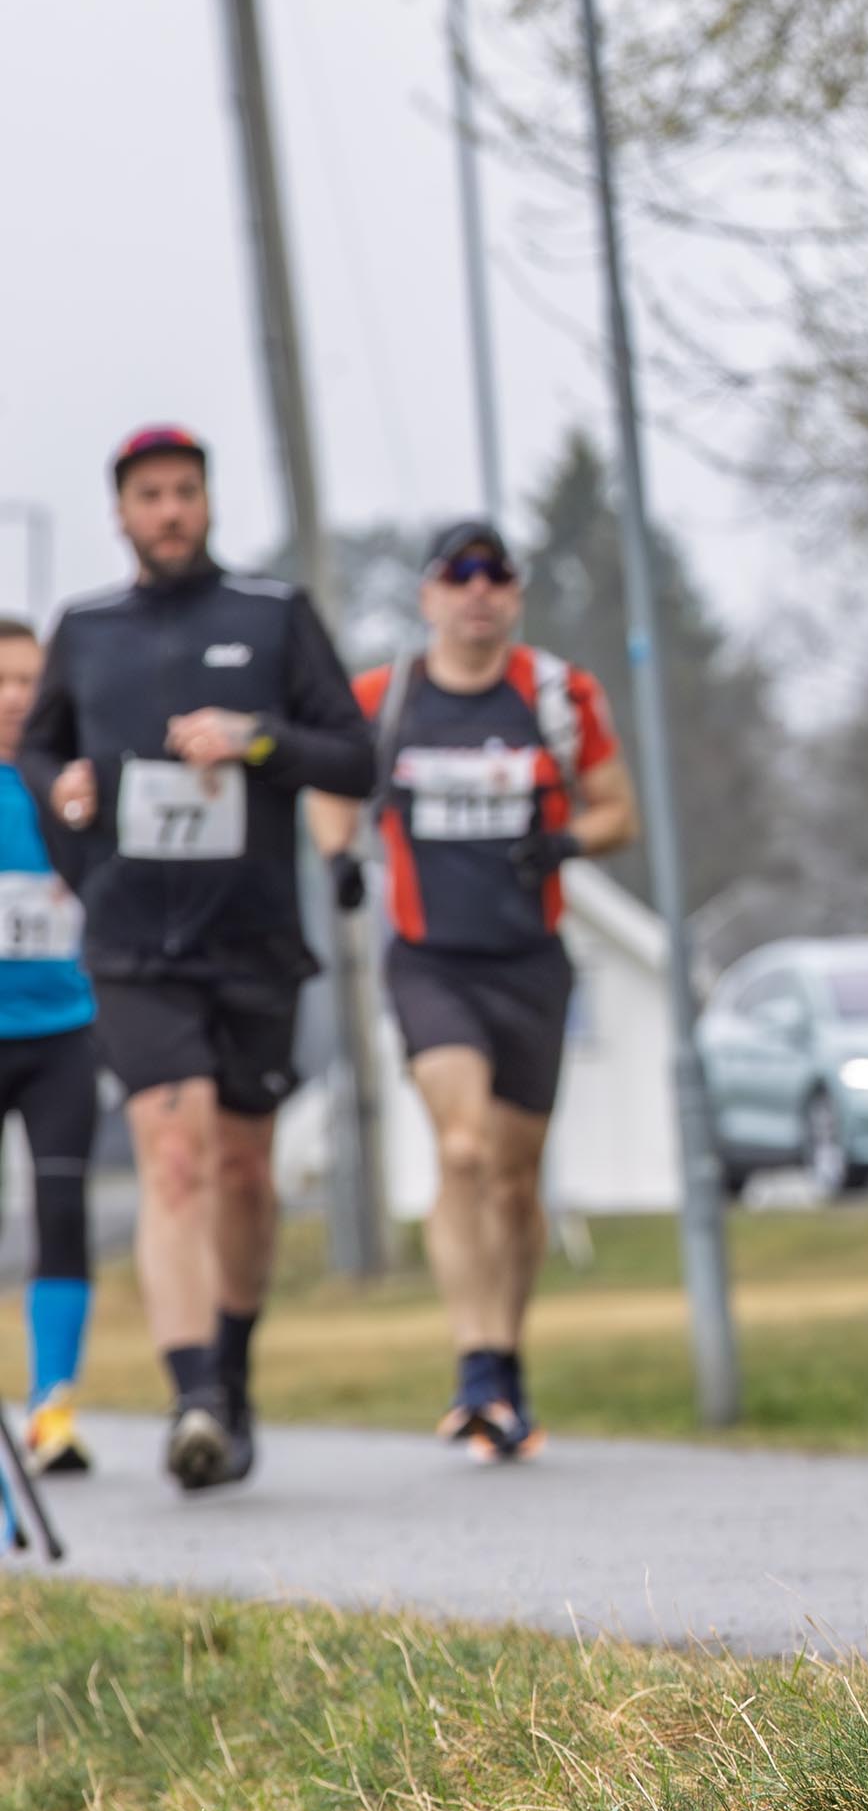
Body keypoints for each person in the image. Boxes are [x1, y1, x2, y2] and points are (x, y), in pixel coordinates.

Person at [18, 426, 376, 1491]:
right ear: (121, 515)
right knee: (172, 1155)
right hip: (131, 940)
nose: (170, 511)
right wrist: (62, 791)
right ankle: (193, 1400)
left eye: (185, 492)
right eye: (149, 496)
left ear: (209, 503)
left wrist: (256, 738)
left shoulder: (272, 617)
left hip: (253, 939)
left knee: (241, 1172)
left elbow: (355, 757)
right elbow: (41, 748)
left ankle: (231, 1367)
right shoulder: (84, 630)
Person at [306, 520, 634, 1461]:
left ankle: (507, 1354)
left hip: (530, 959)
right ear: (429, 595)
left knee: (515, 1177)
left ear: (516, 593)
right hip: (429, 959)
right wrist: (340, 858)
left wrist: (568, 840)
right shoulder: (386, 698)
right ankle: (474, 1366)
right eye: (460, 576)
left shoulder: (558, 695)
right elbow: (330, 785)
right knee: (461, 1147)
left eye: (496, 575)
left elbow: (617, 809)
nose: (478, 592)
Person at [0, 618, 100, 1477]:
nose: (13, 697)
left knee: (62, 1210)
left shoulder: (71, 790)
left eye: (28, 679)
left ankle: (52, 1406)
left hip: (63, 1033)